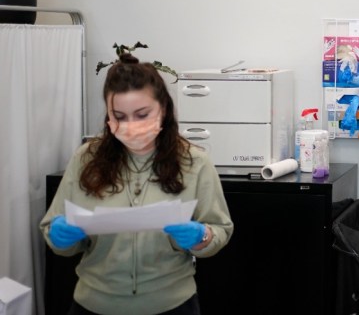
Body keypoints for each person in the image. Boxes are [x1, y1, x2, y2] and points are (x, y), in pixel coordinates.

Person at [39, 53, 234, 315]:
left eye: (142, 114)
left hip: (172, 305)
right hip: (93, 304)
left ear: (163, 109)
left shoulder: (194, 162)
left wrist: (202, 236)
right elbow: (53, 228)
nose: (130, 126)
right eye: (119, 116)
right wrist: (60, 237)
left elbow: (220, 228)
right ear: (108, 116)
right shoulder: (86, 159)